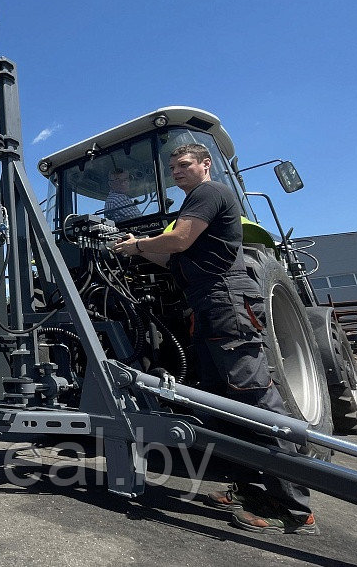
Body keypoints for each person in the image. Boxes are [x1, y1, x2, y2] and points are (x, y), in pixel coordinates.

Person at [111, 143, 317, 535]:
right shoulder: (189, 207)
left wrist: (138, 244)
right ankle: (252, 487)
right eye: (172, 167)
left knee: (255, 396)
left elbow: (179, 241)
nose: (177, 171)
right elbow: (173, 257)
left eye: (184, 164)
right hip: (205, 303)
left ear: (206, 164)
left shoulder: (209, 193)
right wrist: (129, 250)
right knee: (222, 400)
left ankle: (294, 508)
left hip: (226, 300)